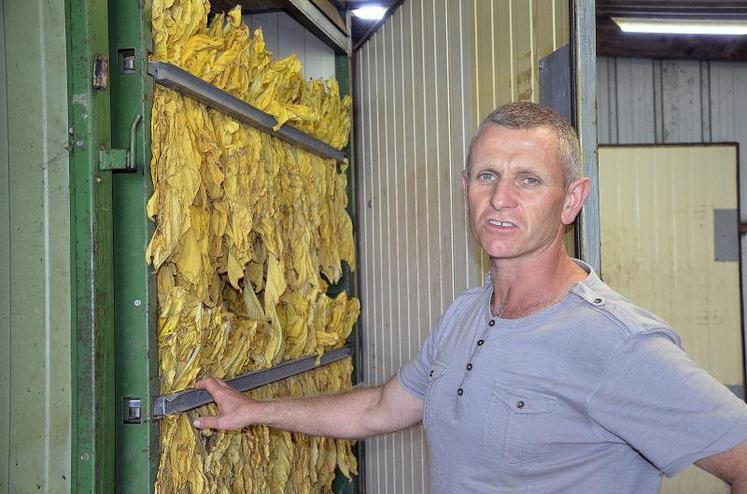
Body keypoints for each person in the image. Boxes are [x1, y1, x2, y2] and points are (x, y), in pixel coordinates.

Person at [193, 102, 747, 493]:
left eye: (528, 180)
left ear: (572, 200)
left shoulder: (617, 344)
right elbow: (379, 408)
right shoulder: (466, 314)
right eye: (486, 175)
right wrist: (254, 411)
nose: (500, 198)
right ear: (466, 187)